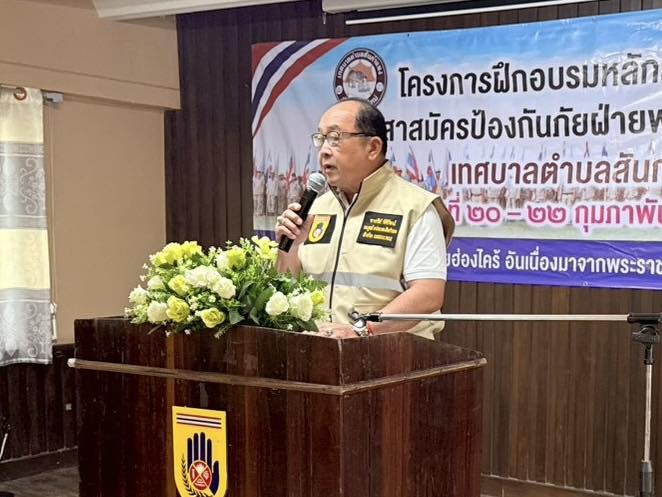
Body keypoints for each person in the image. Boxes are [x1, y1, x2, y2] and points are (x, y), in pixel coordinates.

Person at [274, 98, 455, 339]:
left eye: (335, 138)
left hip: (390, 355)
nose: (324, 150)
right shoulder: (316, 208)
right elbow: (288, 289)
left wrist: (361, 330)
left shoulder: (415, 208)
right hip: (317, 352)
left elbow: (428, 294)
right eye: (321, 139)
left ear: (373, 147)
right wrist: (290, 248)